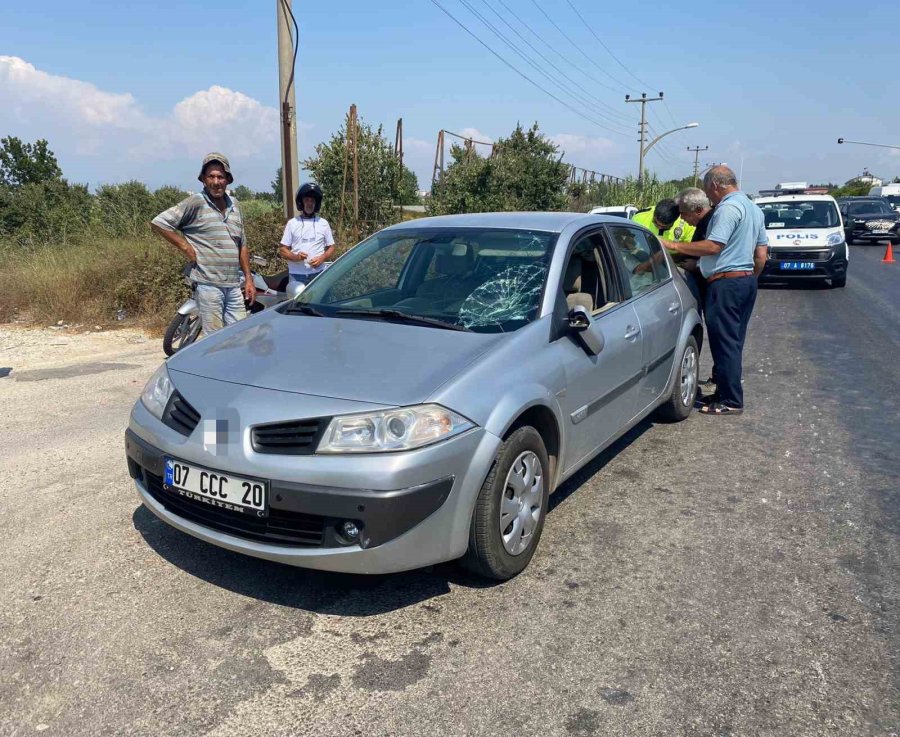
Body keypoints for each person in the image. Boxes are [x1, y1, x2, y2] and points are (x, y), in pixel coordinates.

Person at [664, 166, 768, 416]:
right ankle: (724, 392)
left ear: (714, 185)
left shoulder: (727, 209)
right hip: (745, 281)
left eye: (707, 189)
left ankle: (731, 400)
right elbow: (761, 254)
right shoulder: (753, 208)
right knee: (734, 341)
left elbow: (713, 246)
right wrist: (748, 278)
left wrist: (671, 245)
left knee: (724, 343)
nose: (708, 196)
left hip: (726, 284)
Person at [151, 153, 255, 338]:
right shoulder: (196, 202)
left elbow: (242, 245)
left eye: (220, 177)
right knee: (214, 340)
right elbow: (159, 222)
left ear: (227, 180)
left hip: (233, 284)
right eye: (211, 177)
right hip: (208, 285)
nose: (216, 182)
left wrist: (248, 279)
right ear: (204, 180)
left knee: (240, 336)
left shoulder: (235, 205)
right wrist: (186, 247)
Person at [278, 182, 336, 285]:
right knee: (296, 296)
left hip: (318, 274)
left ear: (316, 204)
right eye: (307, 200)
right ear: (301, 202)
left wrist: (322, 258)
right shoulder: (292, 223)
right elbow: (282, 249)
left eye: (312, 201)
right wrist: (296, 257)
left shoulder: (323, 223)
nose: (309, 203)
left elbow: (332, 247)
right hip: (297, 275)